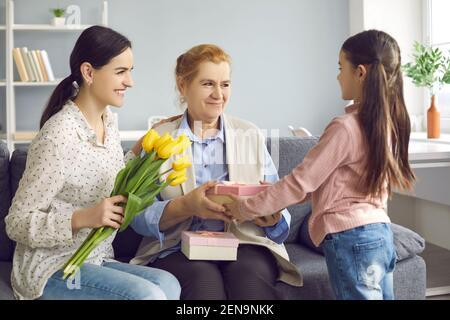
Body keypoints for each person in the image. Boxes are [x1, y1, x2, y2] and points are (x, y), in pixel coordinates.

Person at [224, 30, 415, 300]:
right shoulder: (389, 125)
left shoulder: (346, 128)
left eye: (341, 68)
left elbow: (299, 184)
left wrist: (244, 208)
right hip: (381, 233)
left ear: (360, 73)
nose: (338, 76)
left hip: (351, 237)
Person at [5, 25, 180, 300]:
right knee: (149, 296)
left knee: (170, 285)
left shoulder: (108, 121)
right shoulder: (59, 137)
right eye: (120, 72)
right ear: (89, 72)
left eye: (130, 71)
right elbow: (17, 222)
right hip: (52, 267)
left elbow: (102, 172)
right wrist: (82, 218)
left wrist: (147, 145)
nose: (130, 82)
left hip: (96, 258)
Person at [129, 44, 302, 300]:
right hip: (177, 247)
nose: (218, 94)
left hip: (245, 242)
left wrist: (273, 219)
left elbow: (277, 203)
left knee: (250, 282)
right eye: (208, 83)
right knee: (204, 284)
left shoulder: (250, 135)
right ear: (182, 85)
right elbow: (137, 216)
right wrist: (186, 206)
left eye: (225, 84)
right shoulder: (158, 140)